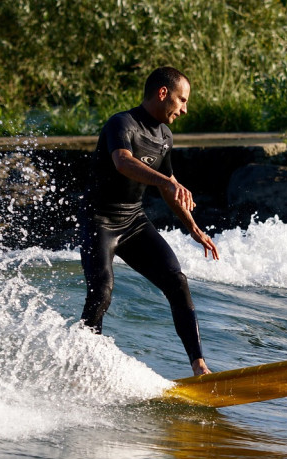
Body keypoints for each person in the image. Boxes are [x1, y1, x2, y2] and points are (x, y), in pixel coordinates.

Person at [79, 66, 219, 376]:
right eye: (182, 100)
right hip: (100, 220)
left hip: (133, 223)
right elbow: (123, 162)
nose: (184, 109)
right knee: (102, 290)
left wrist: (193, 228)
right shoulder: (121, 123)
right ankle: (83, 365)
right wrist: (168, 183)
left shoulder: (165, 136)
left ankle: (199, 366)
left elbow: (168, 183)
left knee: (176, 281)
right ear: (162, 93)